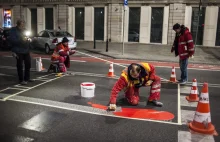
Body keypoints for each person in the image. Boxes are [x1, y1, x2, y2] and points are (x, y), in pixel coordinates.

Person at [9, 19, 33, 85]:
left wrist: (29, 39)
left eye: (23, 24)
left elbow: (29, 36)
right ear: (18, 24)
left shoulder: (24, 30)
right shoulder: (13, 30)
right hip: (18, 50)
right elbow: (12, 40)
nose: (23, 26)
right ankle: (21, 79)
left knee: (28, 64)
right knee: (20, 65)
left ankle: (27, 78)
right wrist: (21, 39)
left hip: (26, 50)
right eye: (21, 24)